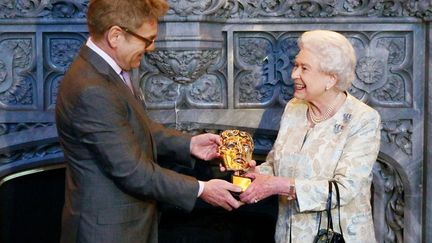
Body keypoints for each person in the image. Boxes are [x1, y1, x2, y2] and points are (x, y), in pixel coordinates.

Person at [55, 0, 242, 242]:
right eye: (147, 39)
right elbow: (134, 172)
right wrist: (201, 189)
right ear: (115, 36)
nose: (151, 48)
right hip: (106, 233)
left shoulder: (105, 73)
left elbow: (133, 128)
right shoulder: (93, 89)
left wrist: (189, 145)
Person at [239, 30, 381, 242]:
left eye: (304, 68)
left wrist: (278, 185)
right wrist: (255, 174)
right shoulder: (294, 108)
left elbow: (344, 189)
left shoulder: (363, 119)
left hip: (336, 236)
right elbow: (277, 163)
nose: (294, 74)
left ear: (331, 79)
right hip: (289, 235)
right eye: (296, 65)